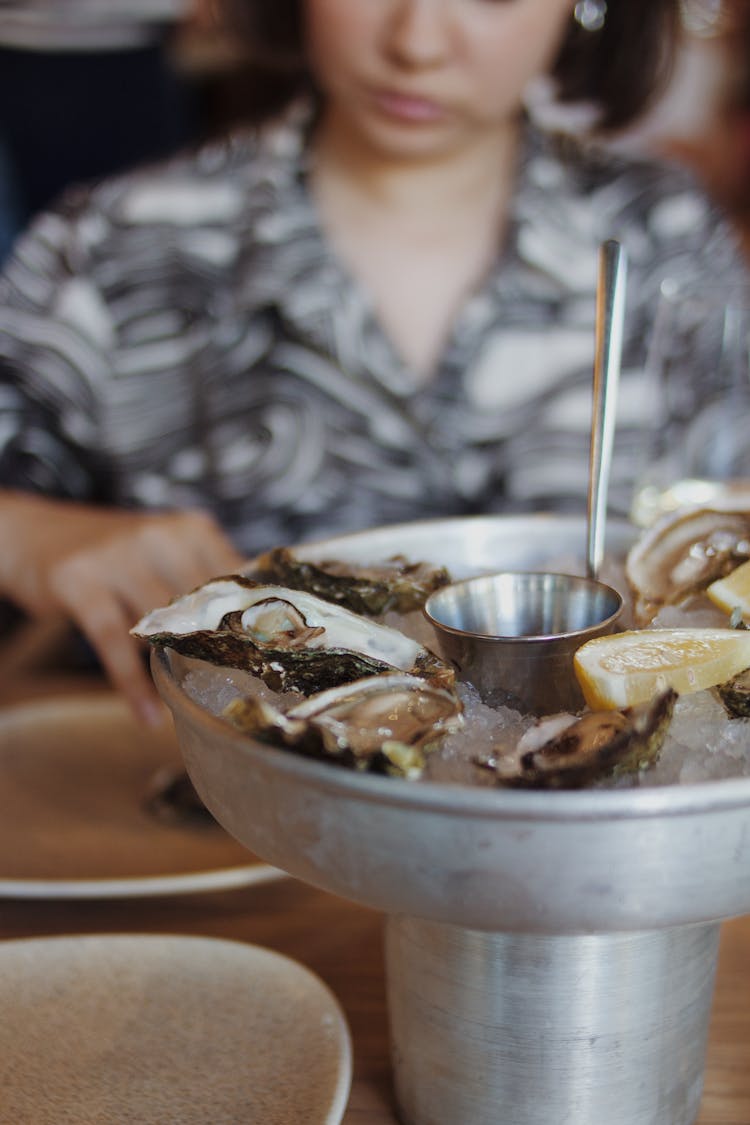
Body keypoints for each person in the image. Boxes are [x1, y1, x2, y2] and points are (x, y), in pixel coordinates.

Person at [0, 0, 745, 724]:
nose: (417, 43)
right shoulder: (111, 246)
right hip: (201, 823)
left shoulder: (667, 240)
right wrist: (29, 536)